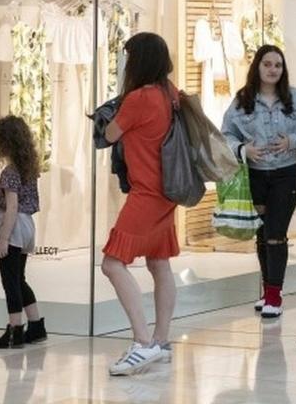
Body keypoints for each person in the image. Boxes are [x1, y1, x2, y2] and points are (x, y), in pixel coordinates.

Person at [102, 33, 181, 375]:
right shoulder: (170, 92)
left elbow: (108, 135)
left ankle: (143, 342)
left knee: (112, 263)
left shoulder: (138, 98)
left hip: (145, 192)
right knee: (159, 264)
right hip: (167, 191)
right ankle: (161, 340)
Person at [222, 45, 296, 318]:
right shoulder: (242, 100)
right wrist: (243, 150)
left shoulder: (295, 98)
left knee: (276, 234)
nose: (273, 69)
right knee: (263, 235)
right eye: (268, 64)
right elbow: (225, 134)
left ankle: (275, 296)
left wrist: (293, 141)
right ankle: (267, 290)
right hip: (254, 175)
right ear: (258, 67)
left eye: (278, 65)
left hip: (285, 174)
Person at [0, 116, 47, 348]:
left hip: (13, 226)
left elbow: (11, 207)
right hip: (27, 225)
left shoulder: (10, 172)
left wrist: (3, 238)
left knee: (9, 281)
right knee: (19, 279)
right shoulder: (29, 168)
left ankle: (14, 330)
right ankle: (36, 325)